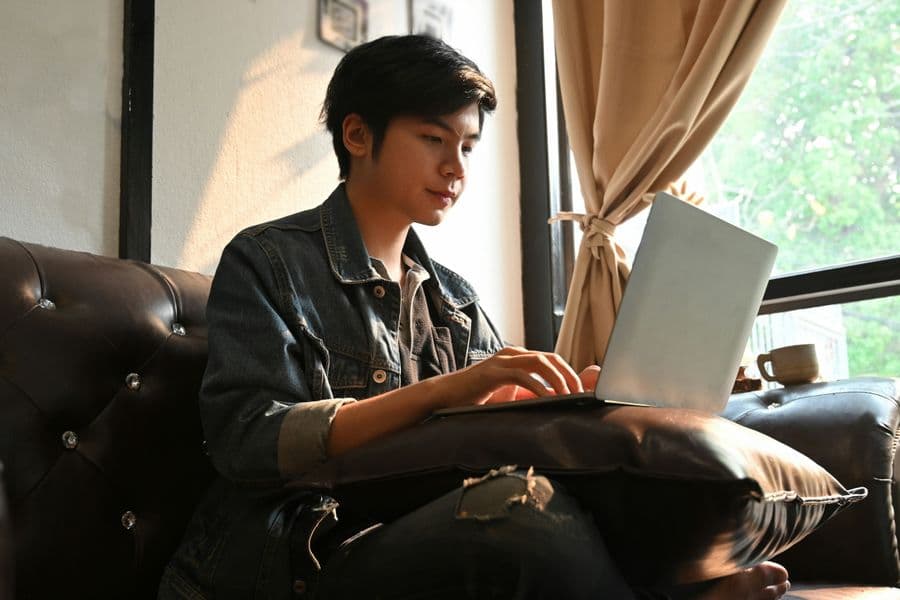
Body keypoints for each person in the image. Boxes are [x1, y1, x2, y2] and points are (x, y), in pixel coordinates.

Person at [158, 35, 790, 599]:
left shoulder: (453, 298)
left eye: (466, 146)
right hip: (301, 555)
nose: (456, 168)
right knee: (518, 513)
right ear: (357, 136)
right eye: (433, 139)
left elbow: (501, 418)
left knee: (580, 495)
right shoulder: (267, 261)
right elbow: (248, 439)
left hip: (409, 531)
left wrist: (592, 392)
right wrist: (451, 389)